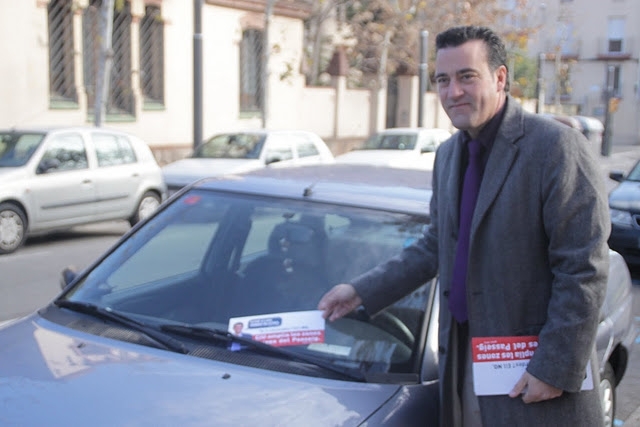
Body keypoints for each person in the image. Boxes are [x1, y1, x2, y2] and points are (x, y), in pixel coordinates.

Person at [317, 25, 610, 427]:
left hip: (537, 378)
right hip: (465, 362)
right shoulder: (448, 155)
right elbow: (436, 244)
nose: (453, 92)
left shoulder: (556, 147)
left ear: (500, 78)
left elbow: (583, 267)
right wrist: (361, 291)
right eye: (443, 80)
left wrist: (554, 367)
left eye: (467, 76)